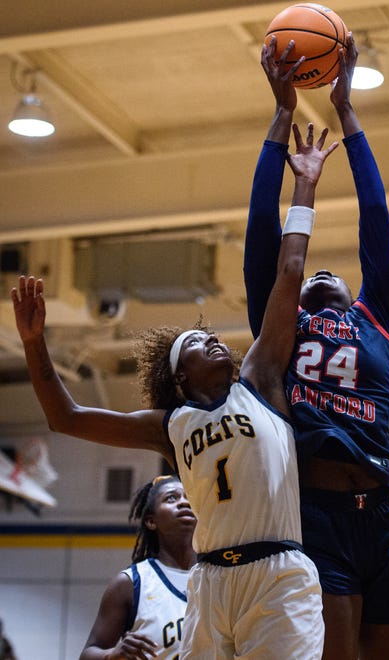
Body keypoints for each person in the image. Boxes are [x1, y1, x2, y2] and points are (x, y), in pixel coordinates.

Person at [11, 80, 338, 657]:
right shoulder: (171, 424)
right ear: (179, 375)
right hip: (210, 583)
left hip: (277, 574)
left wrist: (304, 178)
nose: (212, 341)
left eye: (212, 336)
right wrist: (35, 343)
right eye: (195, 340)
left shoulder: (259, 380)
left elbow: (290, 274)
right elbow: (66, 417)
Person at [244, 33, 389, 660]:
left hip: (388, 513)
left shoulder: (377, 319)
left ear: (356, 291)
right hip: (315, 517)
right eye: (310, 274)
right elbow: (260, 234)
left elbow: (376, 217)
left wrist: (347, 113)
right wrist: (281, 118)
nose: (320, 273)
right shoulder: (280, 326)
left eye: (335, 274)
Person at [79, 474, 197, 660]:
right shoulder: (130, 583)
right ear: (151, 521)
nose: (184, 502)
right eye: (171, 498)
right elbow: (87, 654)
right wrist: (112, 654)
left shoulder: (220, 575)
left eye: (190, 496)